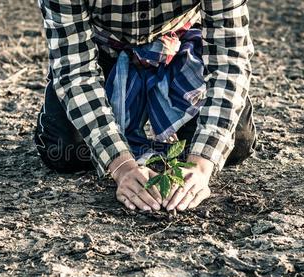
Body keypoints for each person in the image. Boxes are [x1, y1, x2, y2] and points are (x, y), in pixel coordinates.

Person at [34, 0, 256, 212]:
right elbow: (76, 72)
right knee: (66, 151)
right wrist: (122, 167)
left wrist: (200, 165)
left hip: (178, 44)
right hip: (103, 53)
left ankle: (146, 142)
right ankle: (124, 144)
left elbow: (229, 61)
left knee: (236, 145)